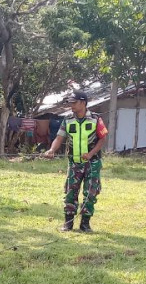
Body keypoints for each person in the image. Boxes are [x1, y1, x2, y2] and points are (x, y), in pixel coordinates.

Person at [44, 91, 108, 232]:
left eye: (74, 102)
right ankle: (68, 223)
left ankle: (85, 224)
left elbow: (102, 138)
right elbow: (59, 138)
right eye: (70, 102)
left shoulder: (96, 119)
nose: (71, 105)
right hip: (74, 163)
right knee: (70, 192)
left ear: (83, 103)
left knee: (90, 193)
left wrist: (91, 154)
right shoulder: (67, 120)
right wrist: (51, 150)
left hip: (93, 163)